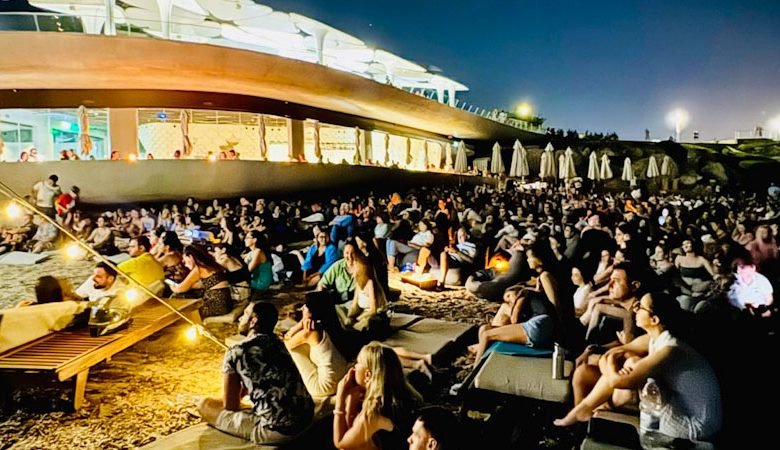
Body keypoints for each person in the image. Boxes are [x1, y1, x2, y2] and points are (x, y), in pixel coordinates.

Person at [554, 293, 722, 445]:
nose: (635, 310)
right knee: (630, 362)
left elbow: (617, 378)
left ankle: (592, 412)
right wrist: (612, 362)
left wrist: (613, 364)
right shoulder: (654, 338)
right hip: (677, 406)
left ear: (654, 319)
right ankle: (585, 409)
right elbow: (611, 355)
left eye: (639, 307)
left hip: (696, 425)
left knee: (631, 364)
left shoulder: (671, 348)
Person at [197, 302, 314, 445]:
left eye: (245, 315)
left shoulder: (236, 352)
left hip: (278, 430)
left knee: (204, 404)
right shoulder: (278, 343)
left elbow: (231, 406)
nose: (240, 319)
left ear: (254, 321)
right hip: (307, 418)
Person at [333, 342, 422, 450]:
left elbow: (341, 443)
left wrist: (340, 398)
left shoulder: (374, 412)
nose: (354, 367)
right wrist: (352, 398)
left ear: (367, 375)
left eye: (358, 362)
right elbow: (352, 433)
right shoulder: (399, 396)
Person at [283, 298, 349, 399]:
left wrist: (299, 325)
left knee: (294, 349)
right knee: (301, 344)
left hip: (325, 386)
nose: (302, 308)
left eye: (306, 306)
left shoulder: (311, 332)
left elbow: (285, 344)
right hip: (340, 378)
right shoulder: (326, 325)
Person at [168, 245, 233, 318]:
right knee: (192, 293)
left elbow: (179, 289)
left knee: (177, 297)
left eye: (185, 261)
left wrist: (170, 285)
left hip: (216, 305)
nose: (185, 265)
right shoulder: (211, 265)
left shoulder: (199, 269)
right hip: (226, 303)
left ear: (190, 257)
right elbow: (202, 285)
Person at [243, 230, 274, 297]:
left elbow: (248, 270)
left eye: (247, 238)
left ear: (254, 240)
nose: (245, 240)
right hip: (254, 280)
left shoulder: (258, 252)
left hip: (260, 282)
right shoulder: (250, 252)